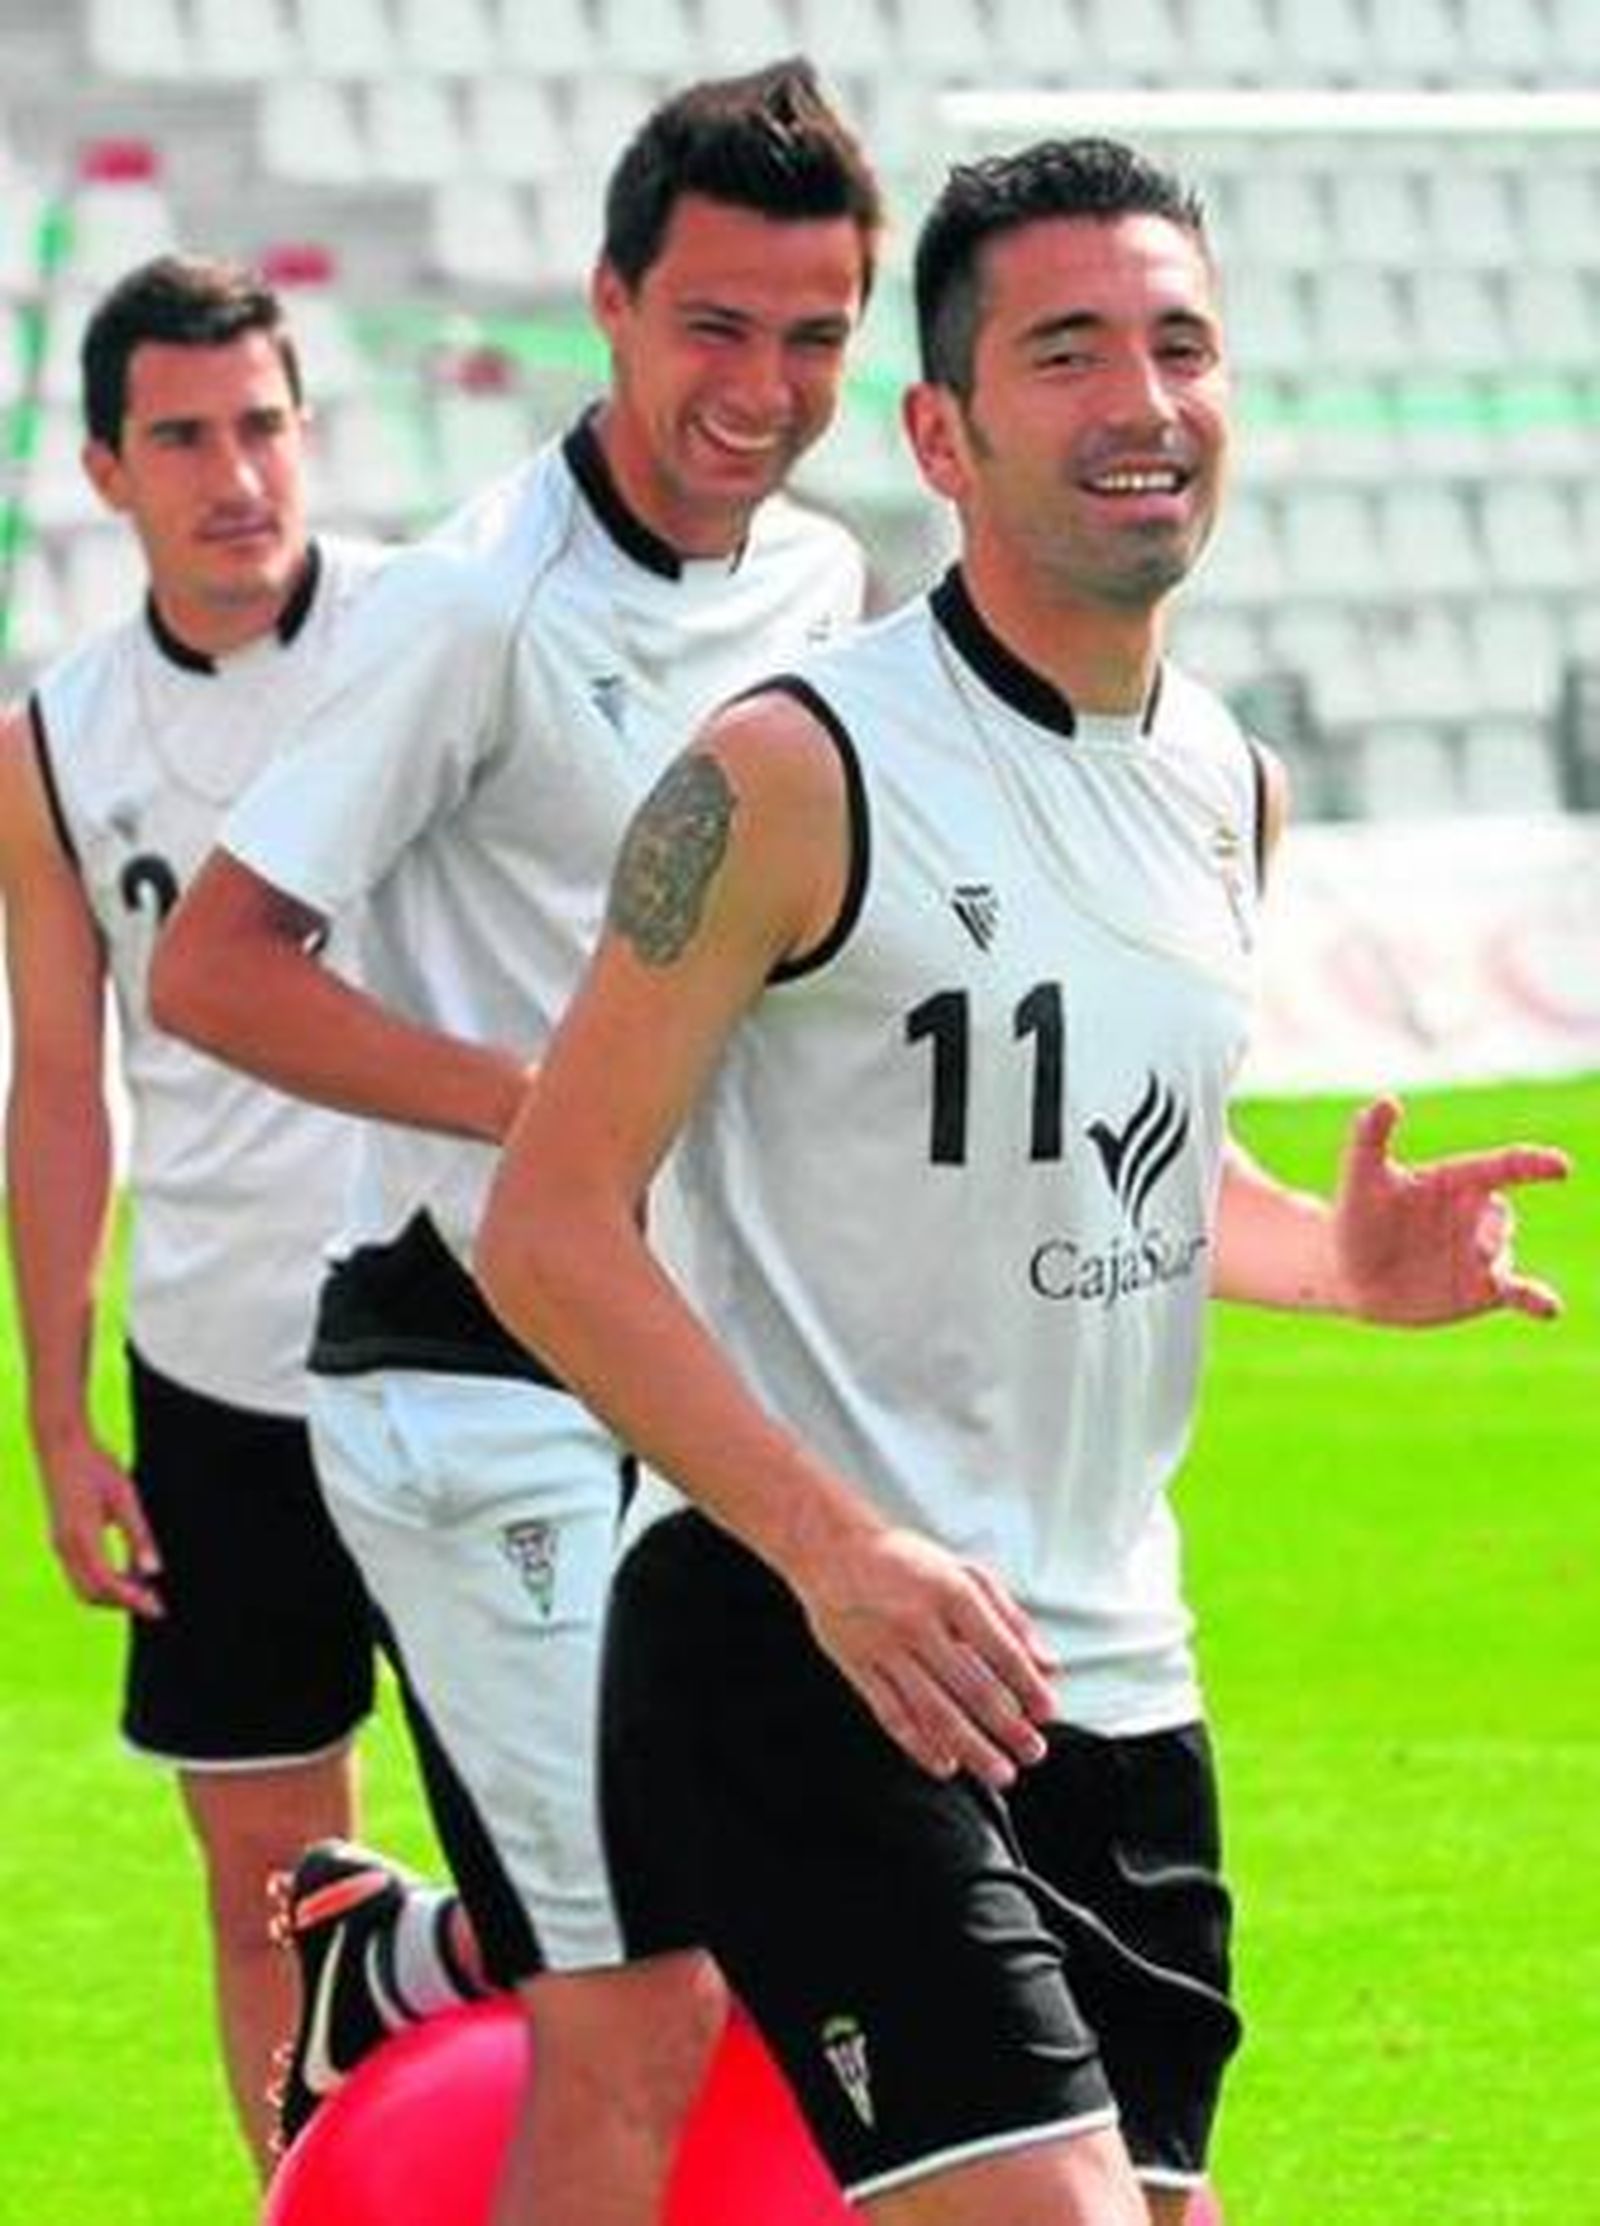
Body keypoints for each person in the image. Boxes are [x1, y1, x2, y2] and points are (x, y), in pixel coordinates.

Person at [473, 137, 1570, 2226]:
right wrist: (831, 1549)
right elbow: (547, 1222)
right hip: (802, 1630)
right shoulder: (784, 772)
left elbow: (1118, 1165)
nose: (1140, 402)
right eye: (1064, 353)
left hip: (1109, 1684)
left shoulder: (1224, 783)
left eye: (1179, 345)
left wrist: (1336, 1265)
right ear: (940, 433)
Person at [150, 59, 885, 2223]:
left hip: (705, 1375)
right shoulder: (466, 607)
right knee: (634, 2014)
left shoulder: (827, 577)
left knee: (804, 1919)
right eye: (715, 326)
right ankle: (443, 1960)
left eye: (816, 334)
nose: (761, 386)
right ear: (609, 307)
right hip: (470, 1378)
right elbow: (212, 969)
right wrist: (543, 1107)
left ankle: (392, 1954)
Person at [0, 255, 403, 2180]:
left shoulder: (429, 637)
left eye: (263, 423)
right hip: (221, 1378)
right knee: (264, 1868)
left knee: (573, 1829)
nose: (235, 471)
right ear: (104, 469)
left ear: (306, 433)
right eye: (183, 435)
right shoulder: (55, 744)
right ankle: (307, 2200)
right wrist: (62, 1415)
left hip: (479, 1336)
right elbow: (64, 1087)